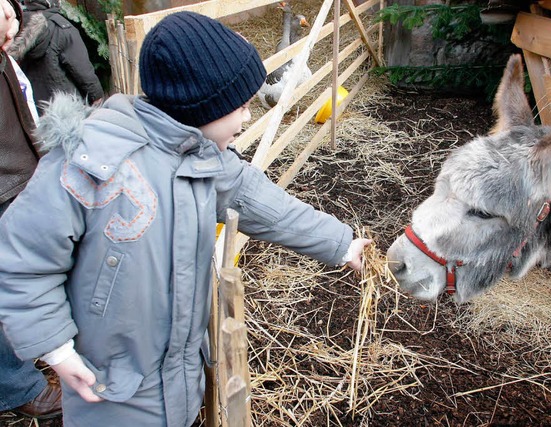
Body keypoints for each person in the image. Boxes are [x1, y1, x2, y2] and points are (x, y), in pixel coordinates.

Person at [0, 11, 371, 427]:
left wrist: (339, 242)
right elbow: (21, 262)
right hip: (110, 387)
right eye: (242, 107)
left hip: (182, 370)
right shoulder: (90, 165)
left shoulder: (202, 156)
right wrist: (57, 351)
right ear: (201, 105)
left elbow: (260, 200)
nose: (248, 118)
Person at [0, 0, 62, 419]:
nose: (9, 18)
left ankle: (29, 354)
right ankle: (17, 387)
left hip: (17, 177)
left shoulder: (6, 57)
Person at [6, 0, 103, 114]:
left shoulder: (12, 30)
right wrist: (97, 96)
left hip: (31, 112)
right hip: (66, 112)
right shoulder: (61, 28)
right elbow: (83, 71)